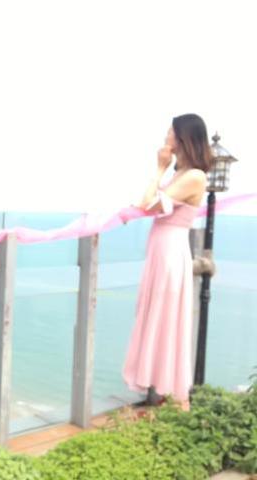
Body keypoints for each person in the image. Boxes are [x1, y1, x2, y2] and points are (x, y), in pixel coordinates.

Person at [123, 113, 212, 411]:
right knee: (156, 316)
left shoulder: (194, 176)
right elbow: (148, 204)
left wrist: (159, 168)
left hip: (171, 253)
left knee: (167, 318)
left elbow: (147, 205)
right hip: (161, 251)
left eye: (171, 131)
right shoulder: (182, 174)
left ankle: (178, 398)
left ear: (184, 137)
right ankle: (163, 391)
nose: (166, 135)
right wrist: (164, 170)